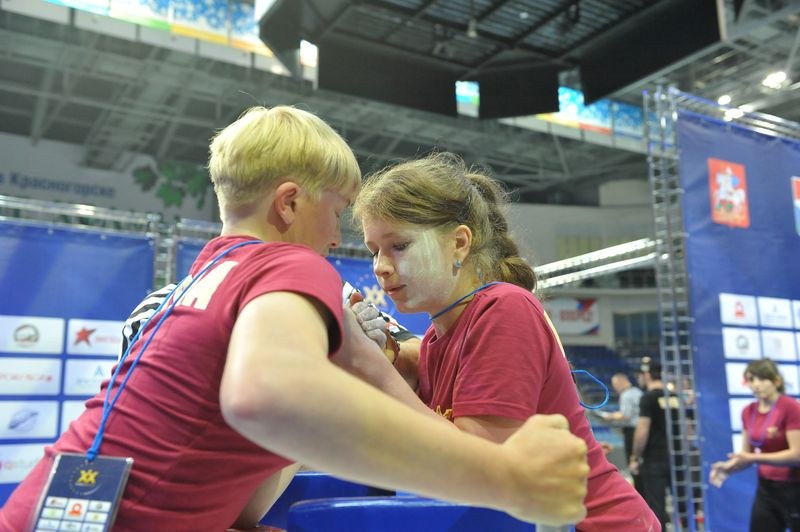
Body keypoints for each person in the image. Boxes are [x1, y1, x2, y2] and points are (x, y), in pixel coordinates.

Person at [0, 106, 590, 531]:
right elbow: (266, 397)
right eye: (337, 213)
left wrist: (359, 360)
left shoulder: (207, 275)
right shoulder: (291, 263)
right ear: (289, 204)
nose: (338, 240)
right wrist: (504, 477)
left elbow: (243, 488)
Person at [350, 152, 659, 531]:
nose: (380, 265)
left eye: (399, 245)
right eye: (374, 250)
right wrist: (389, 363)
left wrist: (374, 366)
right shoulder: (434, 338)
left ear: (459, 243)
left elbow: (477, 465)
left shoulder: (503, 309)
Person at [709, 359, 800, 532]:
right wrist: (727, 468)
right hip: (766, 489)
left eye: (761, 379)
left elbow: (797, 455)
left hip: (795, 488)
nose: (756, 385)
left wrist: (753, 457)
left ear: (776, 381)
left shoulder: (791, 407)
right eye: (751, 380)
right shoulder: (748, 411)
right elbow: (746, 455)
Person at [628, 358, 682, 530]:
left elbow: (642, 429)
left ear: (647, 375)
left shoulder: (648, 398)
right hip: (677, 458)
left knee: (656, 506)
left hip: (654, 460)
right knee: (683, 504)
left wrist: (635, 457)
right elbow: (686, 428)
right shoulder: (674, 397)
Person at [598, 372, 645, 496]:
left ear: (620, 382)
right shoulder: (638, 392)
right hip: (641, 429)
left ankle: (640, 494)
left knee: (634, 465)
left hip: (633, 431)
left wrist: (609, 416)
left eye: (615, 385)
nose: (615, 388)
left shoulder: (626, 395)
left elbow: (625, 415)